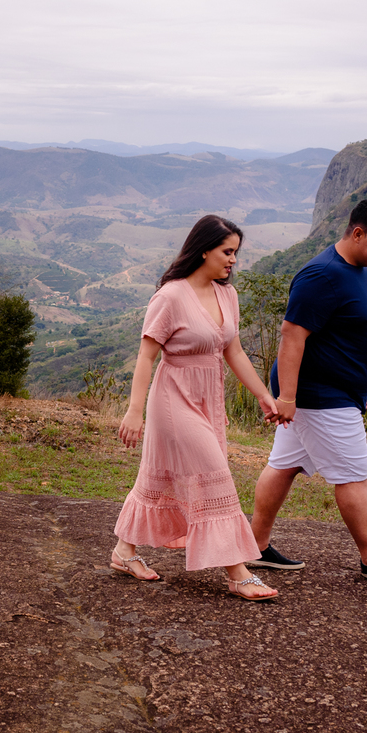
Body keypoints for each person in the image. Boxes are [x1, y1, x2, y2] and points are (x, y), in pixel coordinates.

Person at [111, 215, 281, 601]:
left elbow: (234, 351)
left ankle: (123, 551)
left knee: (159, 479)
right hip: (173, 399)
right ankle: (237, 573)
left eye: (236, 252)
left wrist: (262, 394)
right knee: (214, 474)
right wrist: (135, 411)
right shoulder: (171, 296)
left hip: (209, 399)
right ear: (204, 250)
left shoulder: (227, 295)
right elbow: (146, 356)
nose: (233, 259)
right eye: (227, 251)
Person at [248, 198, 367, 582]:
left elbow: (349, 331)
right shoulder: (321, 275)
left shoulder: (356, 269)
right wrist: (287, 398)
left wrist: (363, 377)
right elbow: (292, 336)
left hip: (335, 390)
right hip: (320, 396)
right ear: (357, 233)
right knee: (353, 472)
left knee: (284, 465)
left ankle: (254, 546)